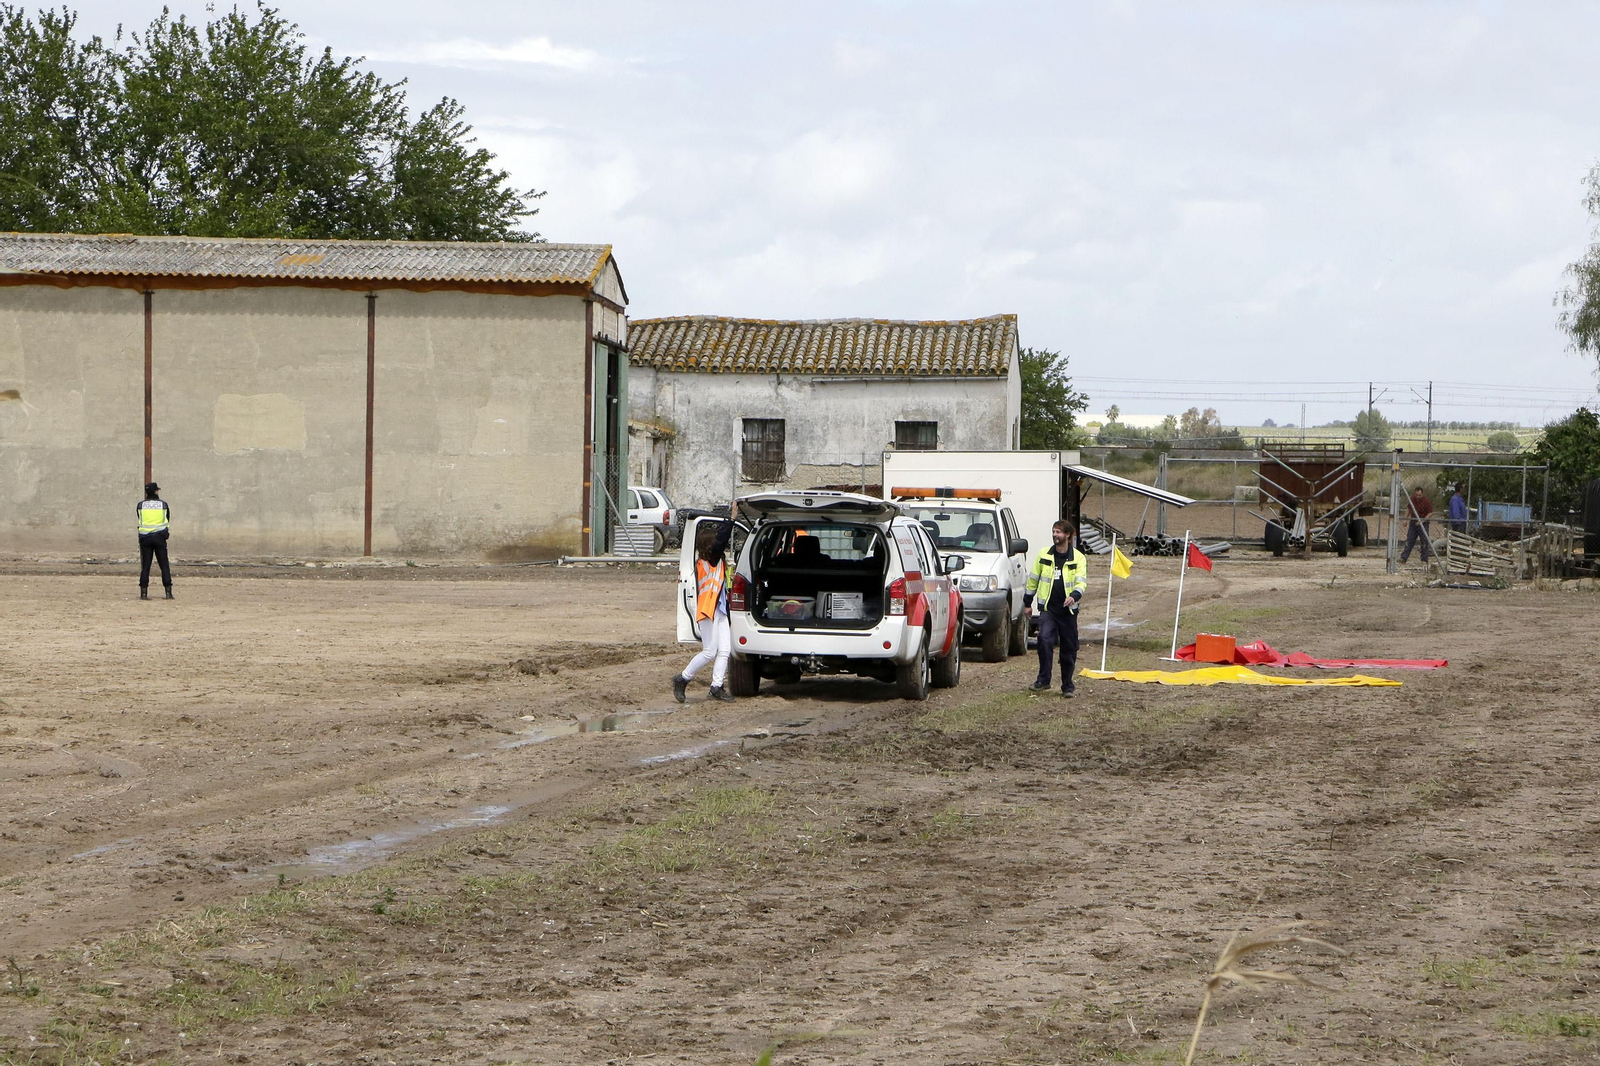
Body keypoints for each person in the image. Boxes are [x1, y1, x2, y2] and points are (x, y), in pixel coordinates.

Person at [672, 515, 736, 703]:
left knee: (724, 650)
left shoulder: (712, 562)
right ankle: (682, 678)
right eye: (715, 541)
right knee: (709, 652)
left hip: (720, 610)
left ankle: (716, 687)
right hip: (709, 610)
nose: (719, 543)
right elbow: (721, 542)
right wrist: (731, 519)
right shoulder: (710, 561)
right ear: (710, 546)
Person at [1022, 519, 1087, 697]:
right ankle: (1043, 680)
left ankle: (1067, 686)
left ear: (1067, 535)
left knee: (1069, 648)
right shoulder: (1044, 555)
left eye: (1058, 532)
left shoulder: (1078, 557)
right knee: (1043, 640)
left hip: (1068, 612)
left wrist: (1073, 596)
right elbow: (1033, 580)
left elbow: (1081, 582)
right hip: (1048, 610)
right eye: (1053, 531)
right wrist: (1028, 603)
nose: (1055, 535)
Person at [136, 481, 174, 600]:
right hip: (159, 537)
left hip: (145, 538)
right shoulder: (163, 505)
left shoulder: (140, 505)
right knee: (164, 565)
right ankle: (168, 592)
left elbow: (139, 518)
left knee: (146, 566)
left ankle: (143, 593)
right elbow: (167, 518)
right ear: (156, 491)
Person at [1400, 486, 1434, 563]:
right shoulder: (1412, 499)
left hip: (1423, 523)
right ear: (1414, 494)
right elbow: (1408, 509)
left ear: (1422, 494)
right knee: (1410, 539)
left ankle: (1424, 559)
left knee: (1424, 541)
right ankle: (1404, 558)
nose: (1418, 497)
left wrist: (1422, 521)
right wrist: (1405, 519)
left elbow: (1430, 513)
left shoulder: (1426, 501)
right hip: (1413, 522)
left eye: (1420, 495)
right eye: (1417, 495)